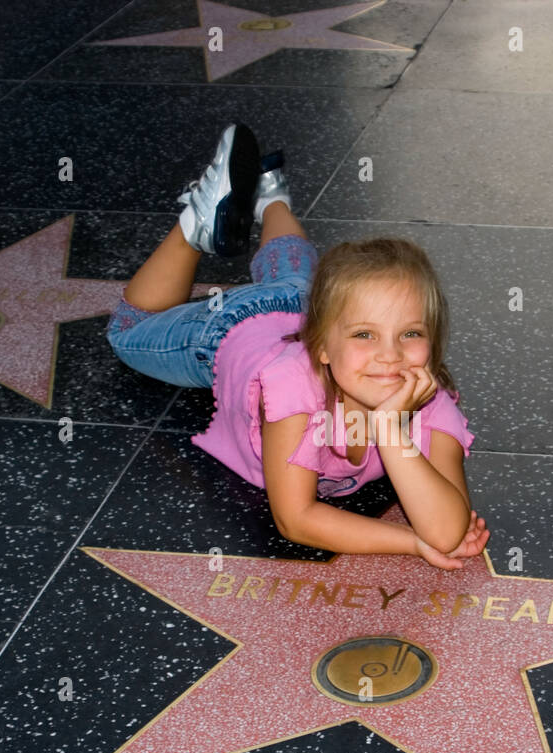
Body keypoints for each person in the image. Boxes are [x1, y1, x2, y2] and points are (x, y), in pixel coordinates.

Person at [107, 122, 489, 570]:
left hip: (309, 300)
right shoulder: (291, 387)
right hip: (238, 326)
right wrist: (410, 542)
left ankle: (270, 194)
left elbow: (446, 532)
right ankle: (197, 224)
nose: (391, 355)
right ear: (321, 348)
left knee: (296, 276)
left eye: (410, 333)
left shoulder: (429, 402)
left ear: (432, 339)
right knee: (128, 330)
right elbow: (295, 518)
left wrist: (389, 429)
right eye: (366, 335)